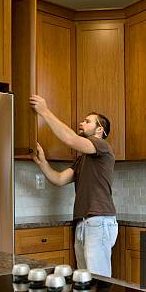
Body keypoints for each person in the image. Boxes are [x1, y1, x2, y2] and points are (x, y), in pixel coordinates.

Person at [29, 95, 118, 277]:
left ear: (99, 129)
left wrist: (45, 111)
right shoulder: (82, 159)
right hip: (84, 223)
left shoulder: (102, 147)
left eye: (87, 121)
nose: (82, 123)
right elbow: (59, 179)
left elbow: (70, 139)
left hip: (98, 222)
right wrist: (42, 162)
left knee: (97, 282)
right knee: (84, 282)